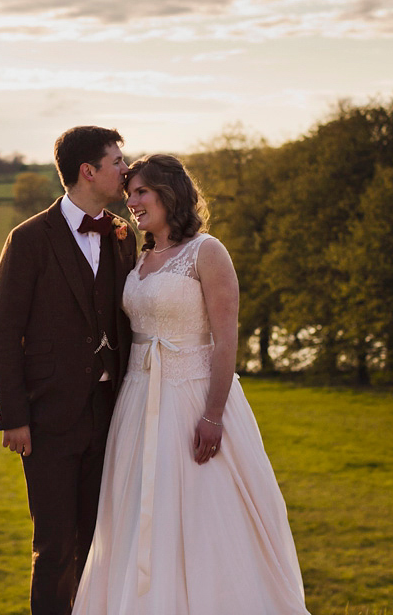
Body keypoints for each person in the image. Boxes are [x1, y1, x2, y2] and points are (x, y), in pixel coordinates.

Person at [72, 154, 312, 615]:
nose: (133, 202)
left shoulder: (207, 251)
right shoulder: (139, 256)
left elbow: (225, 340)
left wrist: (213, 414)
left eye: (141, 191)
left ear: (170, 192)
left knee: (205, 518)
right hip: (138, 403)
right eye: (130, 194)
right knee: (139, 516)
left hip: (194, 397)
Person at [0, 126, 139, 615]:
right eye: (117, 161)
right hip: (49, 417)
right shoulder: (29, 239)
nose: (126, 169)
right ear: (87, 171)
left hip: (111, 412)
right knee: (55, 547)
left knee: (100, 542)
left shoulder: (122, 235)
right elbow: (5, 332)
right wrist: (13, 416)